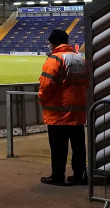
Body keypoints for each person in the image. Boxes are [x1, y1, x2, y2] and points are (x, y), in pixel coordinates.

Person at [38, 29, 89, 186]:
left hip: (58, 113)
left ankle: (58, 176)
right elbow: (87, 83)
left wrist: (42, 99)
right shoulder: (80, 59)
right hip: (78, 113)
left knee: (58, 148)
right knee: (78, 147)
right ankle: (80, 175)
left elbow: (46, 85)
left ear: (53, 43)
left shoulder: (55, 59)